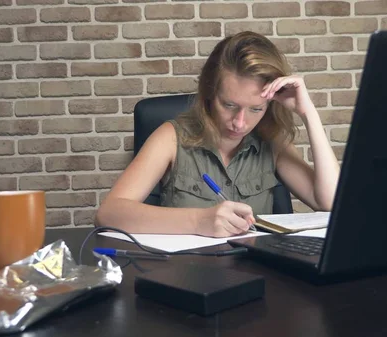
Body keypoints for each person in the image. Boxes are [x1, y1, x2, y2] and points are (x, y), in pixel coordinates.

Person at [95, 31, 340, 238]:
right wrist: (198, 221)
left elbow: (330, 203)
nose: (240, 123)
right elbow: (108, 214)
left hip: (258, 276)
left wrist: (308, 113)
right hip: (187, 276)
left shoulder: (272, 139)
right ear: (210, 94)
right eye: (229, 105)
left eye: (256, 109)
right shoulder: (171, 137)